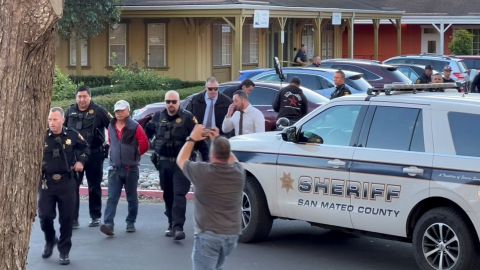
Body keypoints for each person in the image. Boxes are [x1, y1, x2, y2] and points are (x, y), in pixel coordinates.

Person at [176, 125, 245, 270]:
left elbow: (181, 160)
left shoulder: (203, 172)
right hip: (231, 236)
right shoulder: (239, 173)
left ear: (211, 155)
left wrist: (192, 138)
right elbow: (232, 159)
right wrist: (218, 140)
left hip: (209, 236)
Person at [145, 91, 209, 241]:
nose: (171, 105)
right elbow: (145, 133)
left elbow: (200, 141)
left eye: (174, 102)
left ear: (179, 102)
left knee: (179, 194)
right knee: (168, 194)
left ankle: (178, 227)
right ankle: (171, 223)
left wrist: (207, 161)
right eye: (168, 102)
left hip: (182, 164)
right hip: (164, 163)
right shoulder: (158, 117)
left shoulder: (188, 118)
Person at [39, 107, 89, 265]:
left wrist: (81, 161)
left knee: (67, 219)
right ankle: (49, 239)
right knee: (45, 216)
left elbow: (85, 148)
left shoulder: (72, 135)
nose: (52, 123)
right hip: (47, 182)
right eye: (50, 120)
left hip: (66, 182)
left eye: (55, 119)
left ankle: (64, 251)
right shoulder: (42, 136)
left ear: (62, 120)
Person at [65, 86, 112, 228]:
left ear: (90, 97)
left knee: (94, 186)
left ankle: (95, 216)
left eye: (85, 96)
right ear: (76, 98)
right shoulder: (70, 111)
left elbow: (114, 127)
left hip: (94, 154)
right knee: (73, 187)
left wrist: (113, 146)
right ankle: (73, 219)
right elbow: (64, 130)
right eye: (79, 96)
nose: (82, 99)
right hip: (75, 156)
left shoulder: (99, 111)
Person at [100, 100, 149, 236]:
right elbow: (111, 141)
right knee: (112, 197)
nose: (119, 113)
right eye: (117, 111)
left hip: (130, 168)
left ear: (128, 111)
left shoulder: (135, 126)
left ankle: (130, 222)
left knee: (131, 197)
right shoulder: (110, 126)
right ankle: (108, 224)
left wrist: (136, 154)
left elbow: (144, 143)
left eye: (122, 110)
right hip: (115, 167)